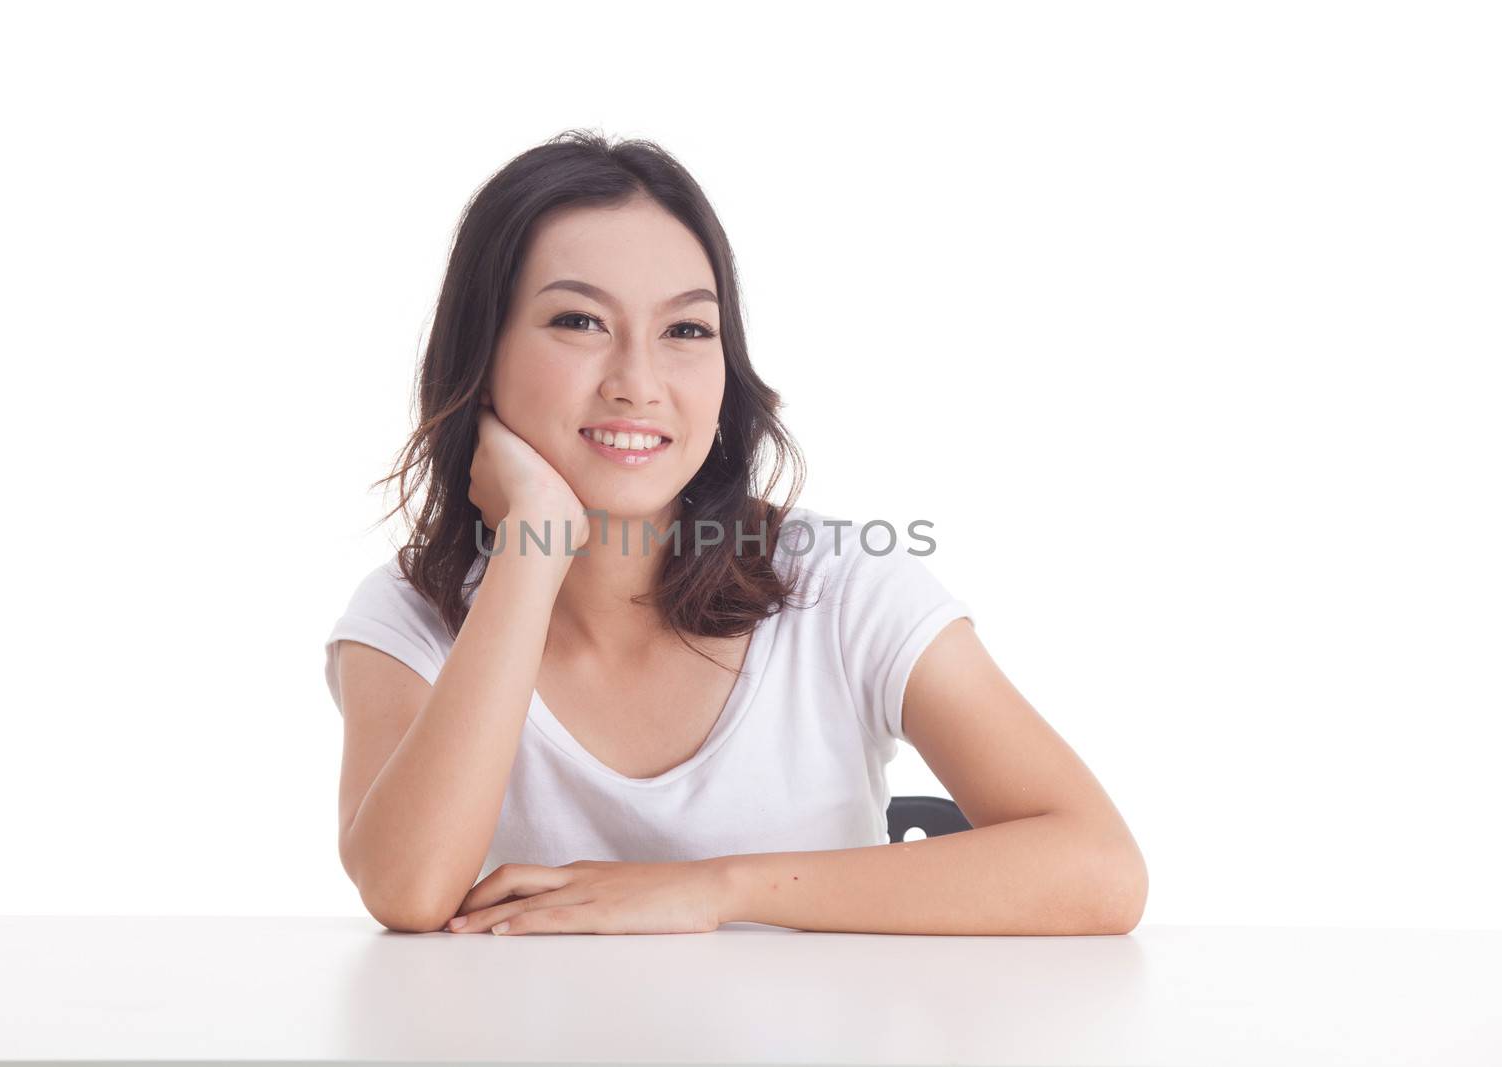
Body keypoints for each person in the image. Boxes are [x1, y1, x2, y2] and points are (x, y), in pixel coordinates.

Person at [324, 130, 1148, 937]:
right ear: (483, 351)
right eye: (578, 322)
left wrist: (710, 890)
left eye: (686, 330)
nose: (638, 383)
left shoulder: (843, 586)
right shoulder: (408, 617)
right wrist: (530, 551)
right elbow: (409, 889)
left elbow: (1100, 868)